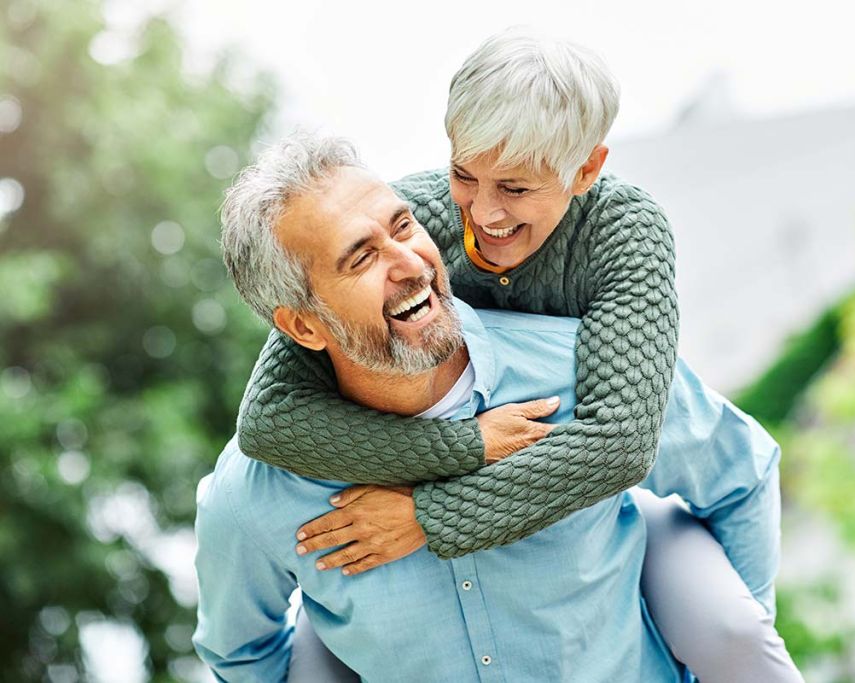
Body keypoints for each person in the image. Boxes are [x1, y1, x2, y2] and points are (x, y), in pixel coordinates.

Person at [194, 134, 802, 681]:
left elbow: (740, 474)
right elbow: (240, 654)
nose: (408, 265)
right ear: (302, 325)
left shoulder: (579, 371)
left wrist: (727, 656)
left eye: (402, 227)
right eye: (361, 258)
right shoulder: (256, 498)